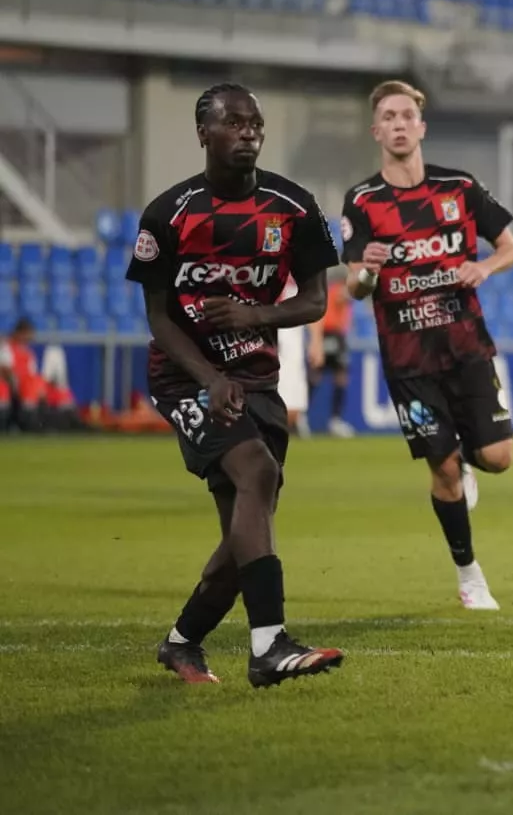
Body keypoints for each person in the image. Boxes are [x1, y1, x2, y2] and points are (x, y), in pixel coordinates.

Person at [134, 83, 345, 687]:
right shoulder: (169, 214)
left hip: (257, 377)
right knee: (258, 472)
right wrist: (208, 378)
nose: (248, 131)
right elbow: (159, 319)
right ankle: (269, 645)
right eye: (234, 122)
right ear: (204, 133)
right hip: (185, 378)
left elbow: (314, 300)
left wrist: (255, 314)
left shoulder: (294, 207)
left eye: (255, 122)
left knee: (244, 533)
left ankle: (181, 643)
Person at [341, 79, 513, 611]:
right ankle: (470, 576)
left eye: (406, 116)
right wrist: (369, 273)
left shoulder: (459, 187)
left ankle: (466, 460)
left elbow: (511, 247)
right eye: (388, 118)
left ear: (421, 127)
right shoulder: (363, 201)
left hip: (467, 346)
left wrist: (484, 267)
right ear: (376, 132)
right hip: (408, 359)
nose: (398, 124)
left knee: (499, 459)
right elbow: (354, 287)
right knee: (441, 469)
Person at [308, 279, 354, 437]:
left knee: (340, 377)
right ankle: (301, 416)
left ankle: (335, 420)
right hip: (328, 334)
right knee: (317, 375)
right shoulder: (336, 289)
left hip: (338, 335)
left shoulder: (336, 290)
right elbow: (343, 296)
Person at [276, 279, 310, 438]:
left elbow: (315, 301)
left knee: (292, 409)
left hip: (291, 334)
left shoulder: (296, 281)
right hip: (270, 327)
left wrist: (316, 341)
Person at [0, 317, 46, 431]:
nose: (29, 337)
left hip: (22, 386)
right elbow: (4, 369)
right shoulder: (6, 347)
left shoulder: (28, 353)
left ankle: (31, 421)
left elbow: (32, 373)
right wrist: (15, 382)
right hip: (9, 383)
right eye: (27, 334)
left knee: (35, 383)